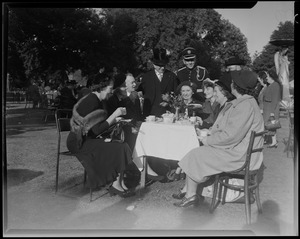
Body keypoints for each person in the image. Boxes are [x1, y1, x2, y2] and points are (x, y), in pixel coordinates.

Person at [172, 70, 264, 208]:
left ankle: (190, 194)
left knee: (197, 153)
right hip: (241, 152)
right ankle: (188, 190)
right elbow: (231, 133)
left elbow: (230, 136)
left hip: (240, 156)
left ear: (234, 86)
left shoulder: (244, 105)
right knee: (198, 151)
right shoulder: (246, 103)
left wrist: (208, 140)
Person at [66, 77, 136, 198]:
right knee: (118, 147)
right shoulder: (92, 101)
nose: (111, 91)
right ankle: (116, 184)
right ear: (101, 88)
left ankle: (118, 183)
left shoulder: (97, 100)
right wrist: (114, 115)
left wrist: (114, 120)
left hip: (87, 139)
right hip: (78, 142)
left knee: (120, 145)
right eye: (109, 88)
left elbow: (95, 129)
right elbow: (96, 130)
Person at [106, 74, 144, 151]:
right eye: (132, 82)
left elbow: (137, 114)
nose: (135, 84)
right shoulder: (113, 99)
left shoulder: (134, 95)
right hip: (121, 135)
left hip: (134, 131)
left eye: (135, 82)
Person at [137, 48, 178, 117]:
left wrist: (169, 101)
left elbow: (176, 94)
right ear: (154, 65)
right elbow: (140, 93)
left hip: (167, 113)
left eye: (164, 65)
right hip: (150, 113)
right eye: (160, 66)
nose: (162, 68)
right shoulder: (146, 77)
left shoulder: (172, 76)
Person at [261, 70, 282, 148]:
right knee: (268, 124)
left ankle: (274, 141)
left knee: (272, 125)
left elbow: (275, 99)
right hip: (267, 107)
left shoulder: (275, 85)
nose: (266, 79)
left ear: (272, 77)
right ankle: (272, 140)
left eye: (268, 77)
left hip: (271, 107)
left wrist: (272, 112)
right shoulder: (270, 85)